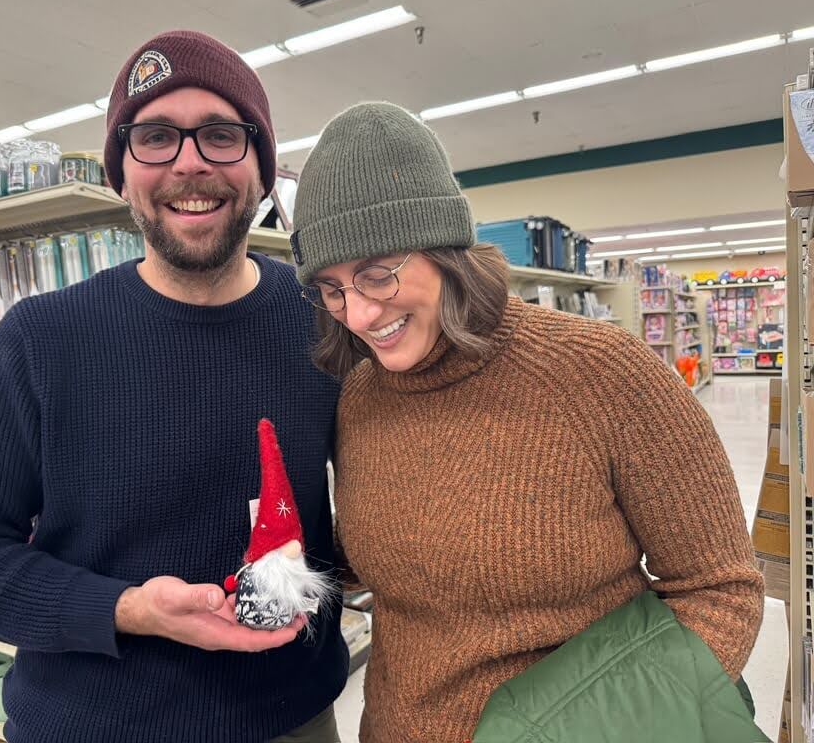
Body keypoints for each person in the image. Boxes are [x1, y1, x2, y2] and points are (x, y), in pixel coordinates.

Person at [0, 30, 348, 743]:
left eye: (221, 135)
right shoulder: (38, 342)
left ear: (263, 169)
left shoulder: (324, 323)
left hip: (291, 719)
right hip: (89, 724)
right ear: (121, 174)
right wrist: (125, 609)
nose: (189, 163)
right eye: (155, 138)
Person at [289, 101, 765, 742]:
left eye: (378, 275)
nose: (358, 314)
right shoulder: (360, 396)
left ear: (445, 250)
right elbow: (414, 550)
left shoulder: (602, 372)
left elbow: (720, 588)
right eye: (331, 289)